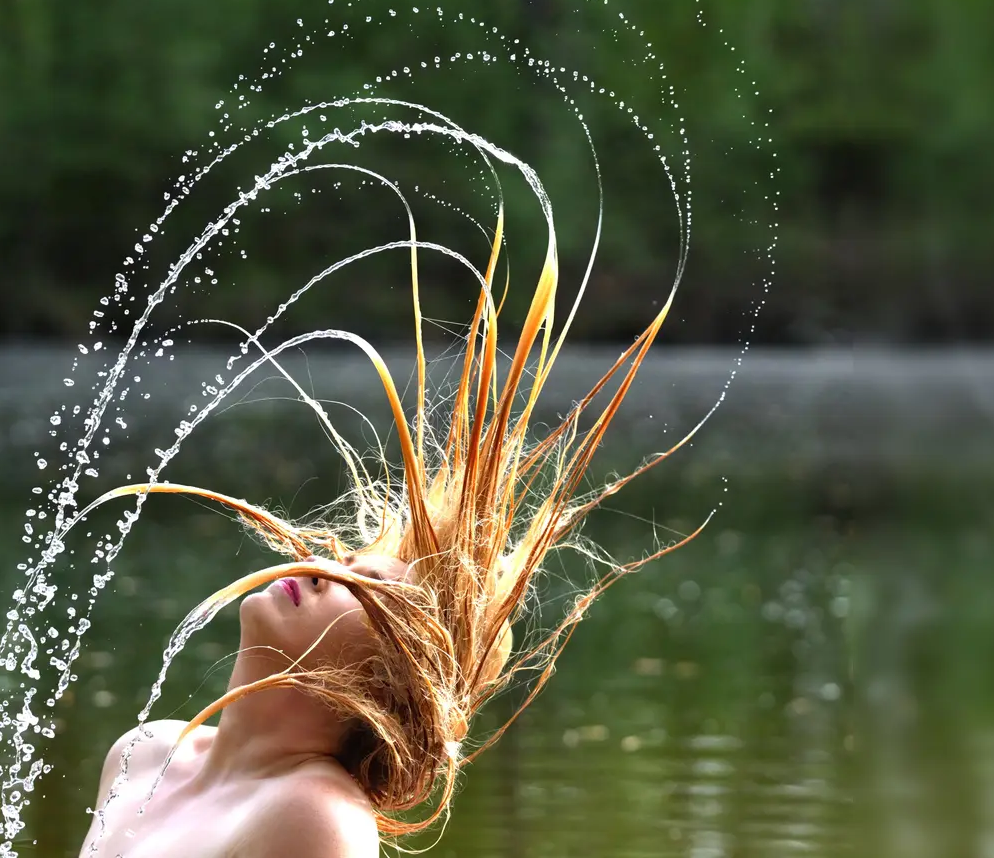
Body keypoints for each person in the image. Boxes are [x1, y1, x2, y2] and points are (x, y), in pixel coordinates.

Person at [80, 227, 698, 856]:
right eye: (349, 560)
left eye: (368, 588)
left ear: (383, 686)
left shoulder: (315, 815)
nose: (327, 569)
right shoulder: (147, 753)